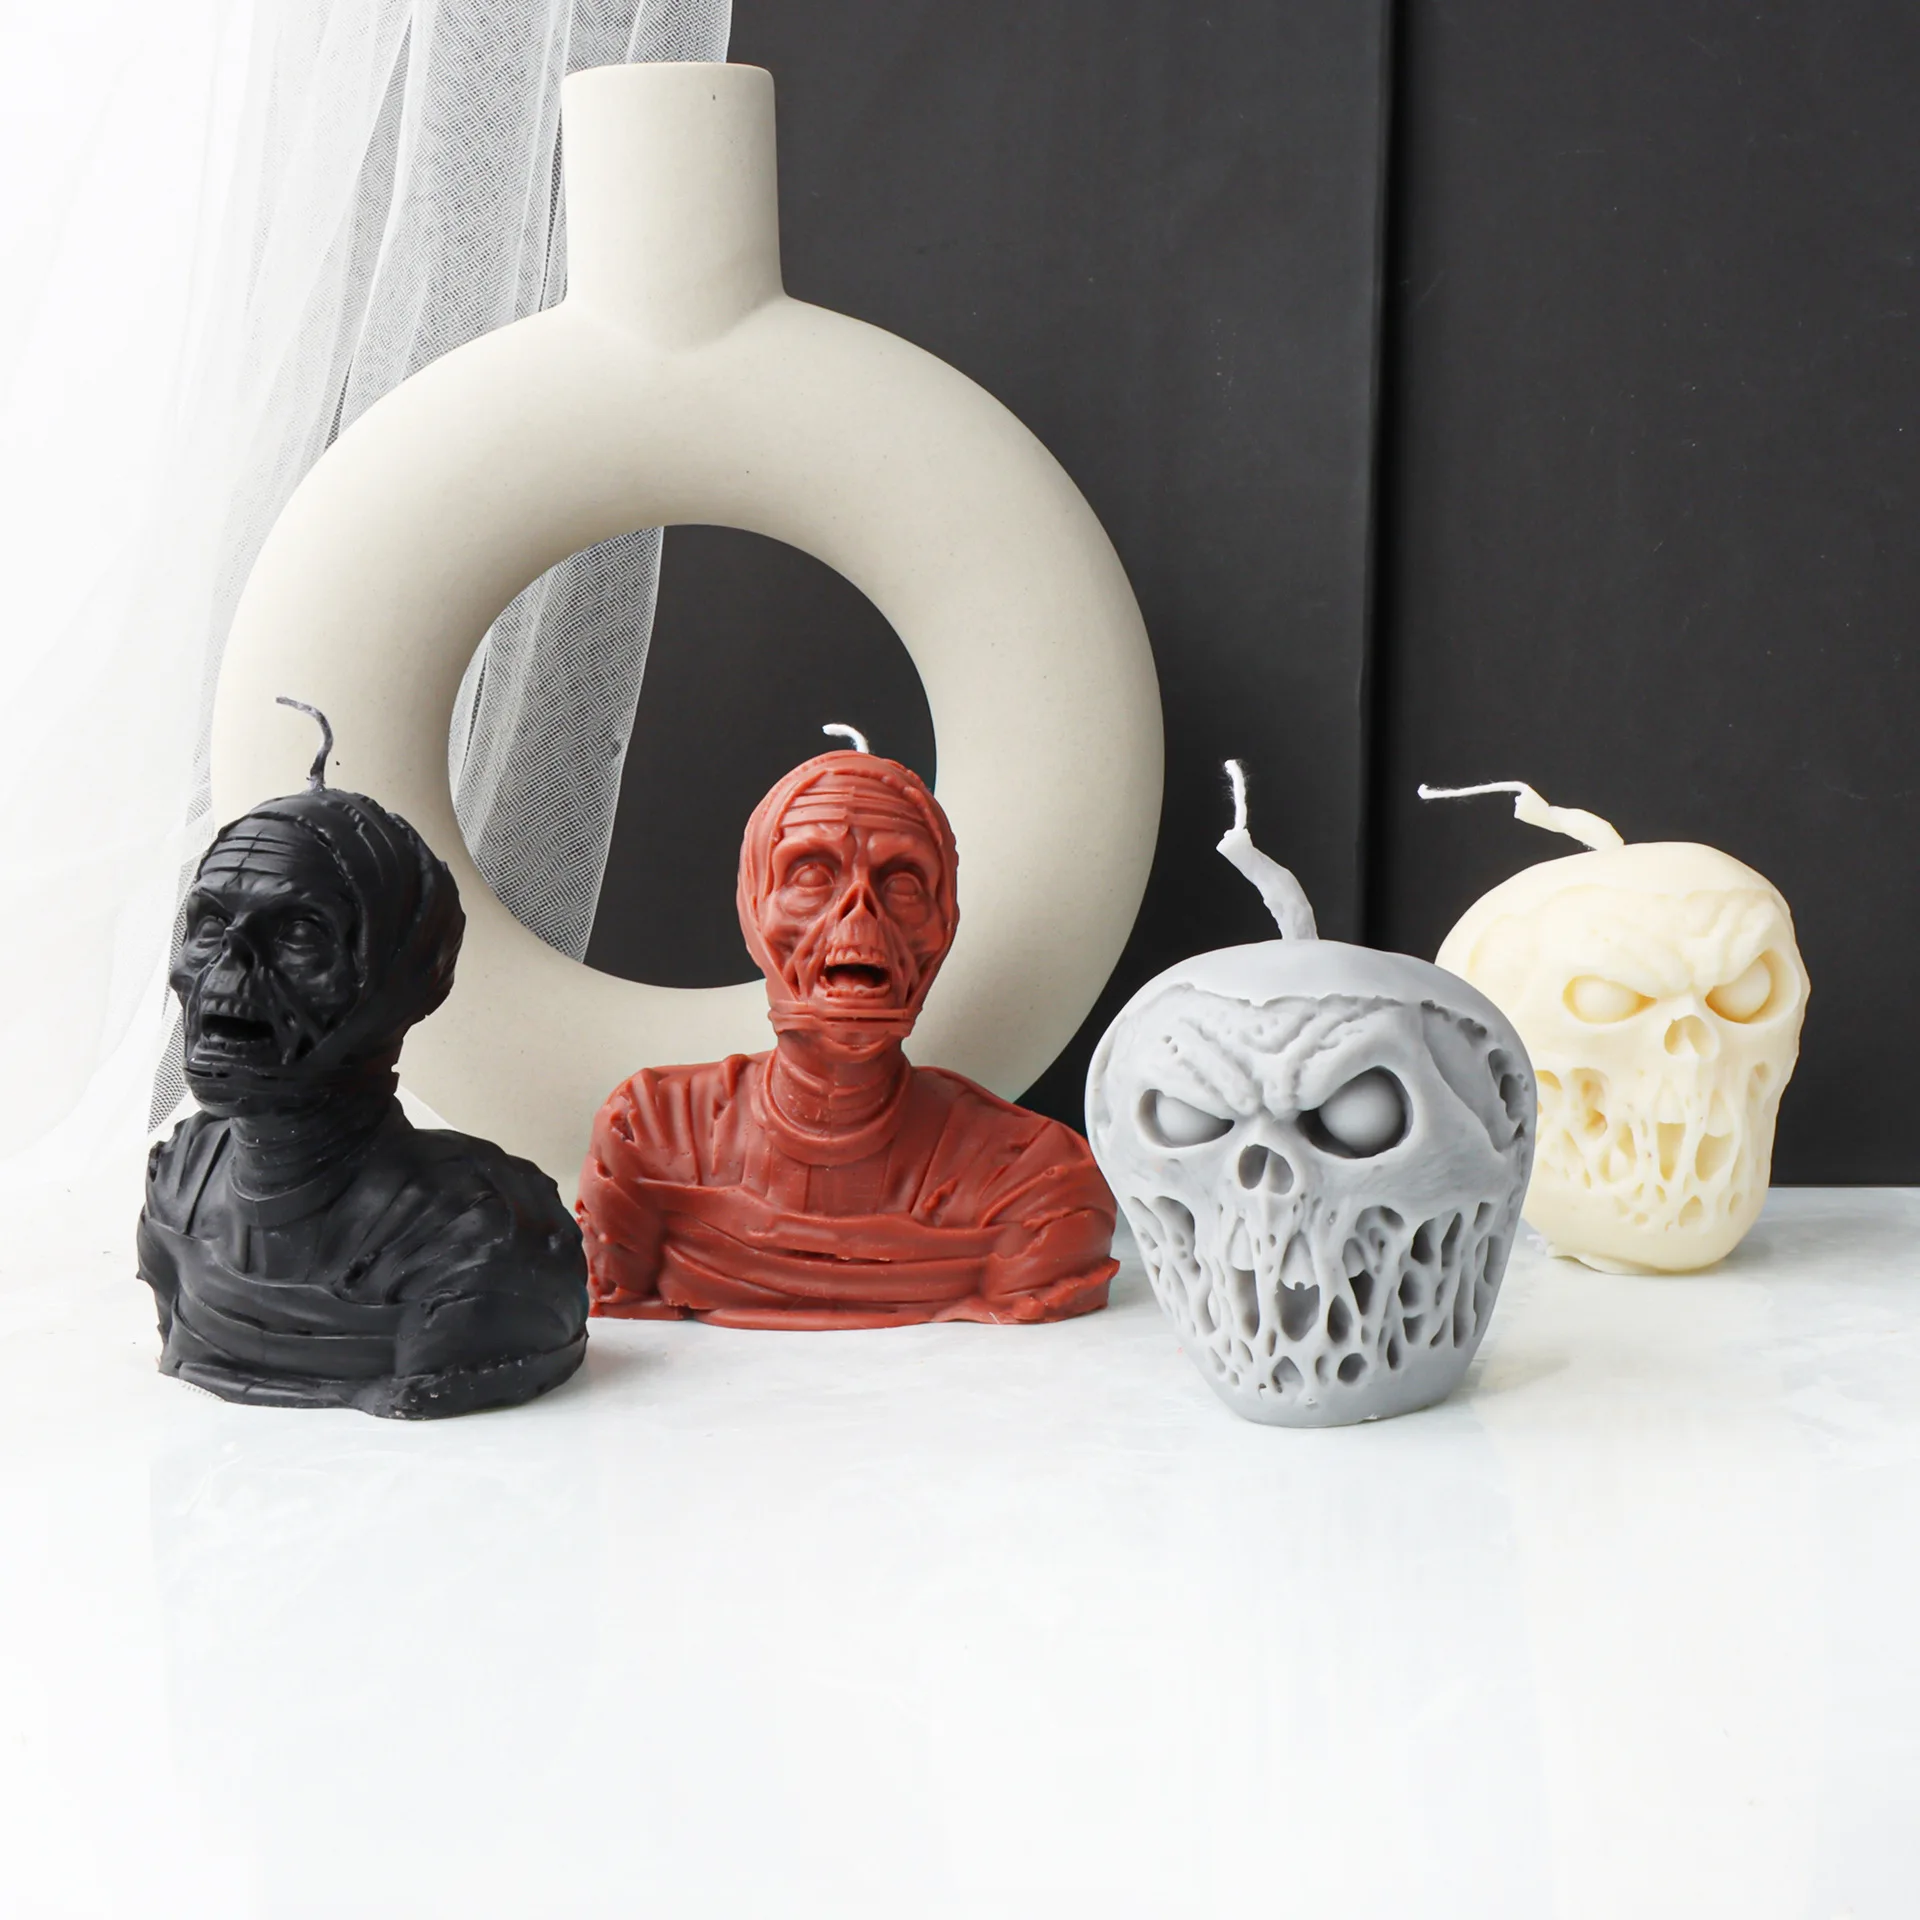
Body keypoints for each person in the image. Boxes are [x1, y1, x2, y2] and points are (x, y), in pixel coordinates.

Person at [138, 709, 588, 1416]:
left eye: (299, 934)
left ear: (397, 980)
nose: (227, 971)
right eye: (211, 926)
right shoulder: (178, 1184)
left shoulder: (483, 1239)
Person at [578, 745, 1118, 1329]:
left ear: (942, 927)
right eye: (811, 875)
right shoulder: (651, 1132)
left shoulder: (1033, 1179)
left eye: (904, 884)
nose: (859, 916)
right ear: (755, 912)